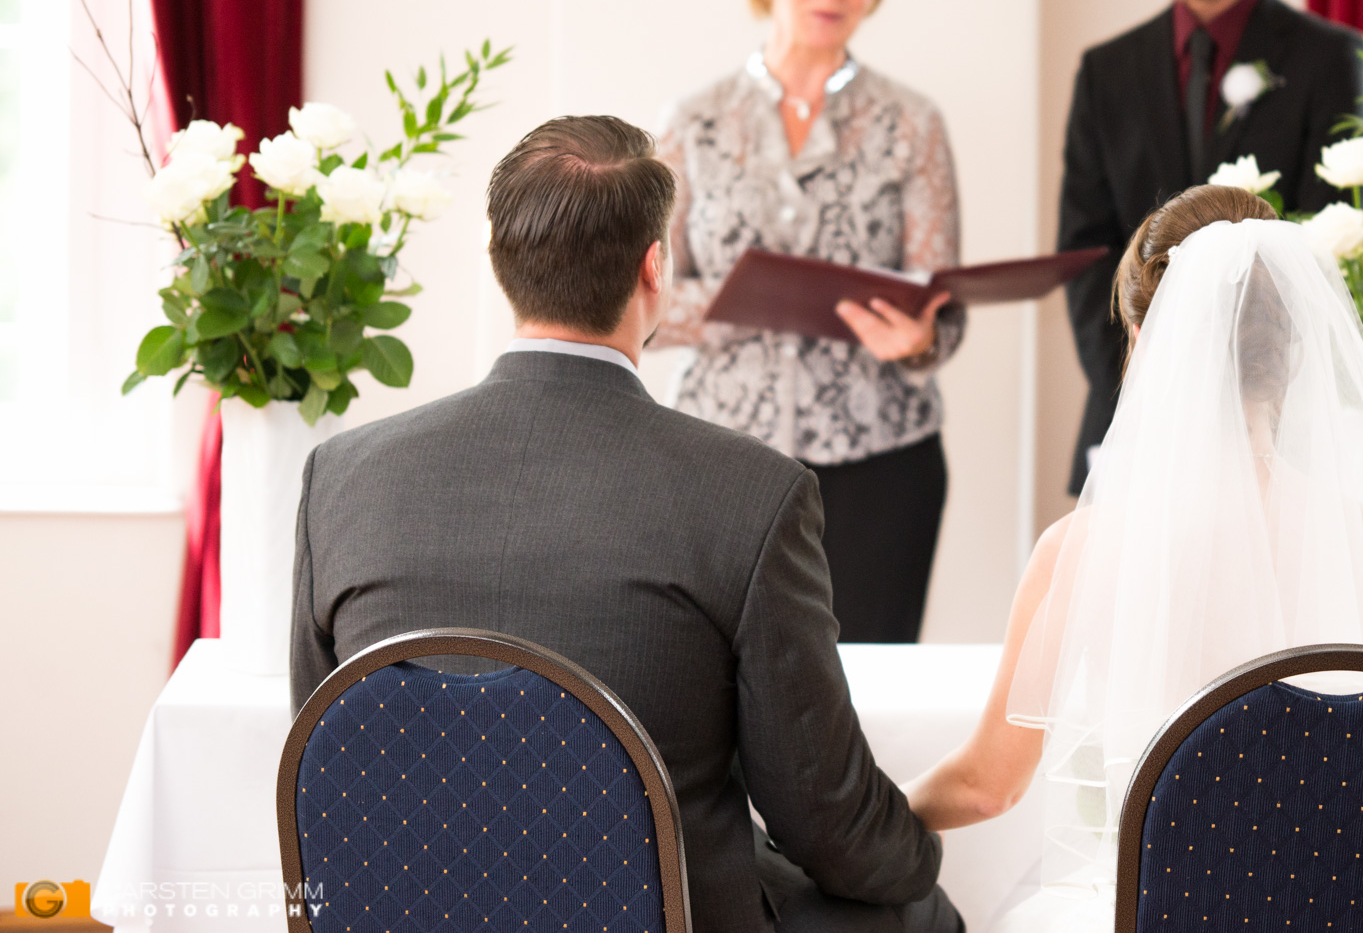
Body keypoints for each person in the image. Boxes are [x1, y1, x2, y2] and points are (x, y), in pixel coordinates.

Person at [291, 116, 962, 933]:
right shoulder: (752, 493)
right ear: (654, 268)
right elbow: (825, 821)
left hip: (408, 915)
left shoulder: (342, 477)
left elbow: (325, 758)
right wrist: (920, 856)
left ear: (499, 259)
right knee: (918, 911)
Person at [903, 185, 1363, 931]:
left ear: (1144, 341)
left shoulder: (1082, 550)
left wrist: (858, 818)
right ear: (1291, 352)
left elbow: (986, 788)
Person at [656, 0, 963, 643]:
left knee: (865, 690)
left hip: (881, 464)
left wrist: (918, 338)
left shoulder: (913, 122)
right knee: (712, 683)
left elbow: (943, 308)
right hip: (717, 459)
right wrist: (755, 300)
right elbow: (644, 300)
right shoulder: (694, 121)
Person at [1058, 0, 1363, 494]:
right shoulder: (1106, 71)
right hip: (1131, 417)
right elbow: (1085, 255)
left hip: (1274, 432)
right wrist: (1144, 386)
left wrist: (1248, 400)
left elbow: (1326, 250)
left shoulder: (1328, 61)